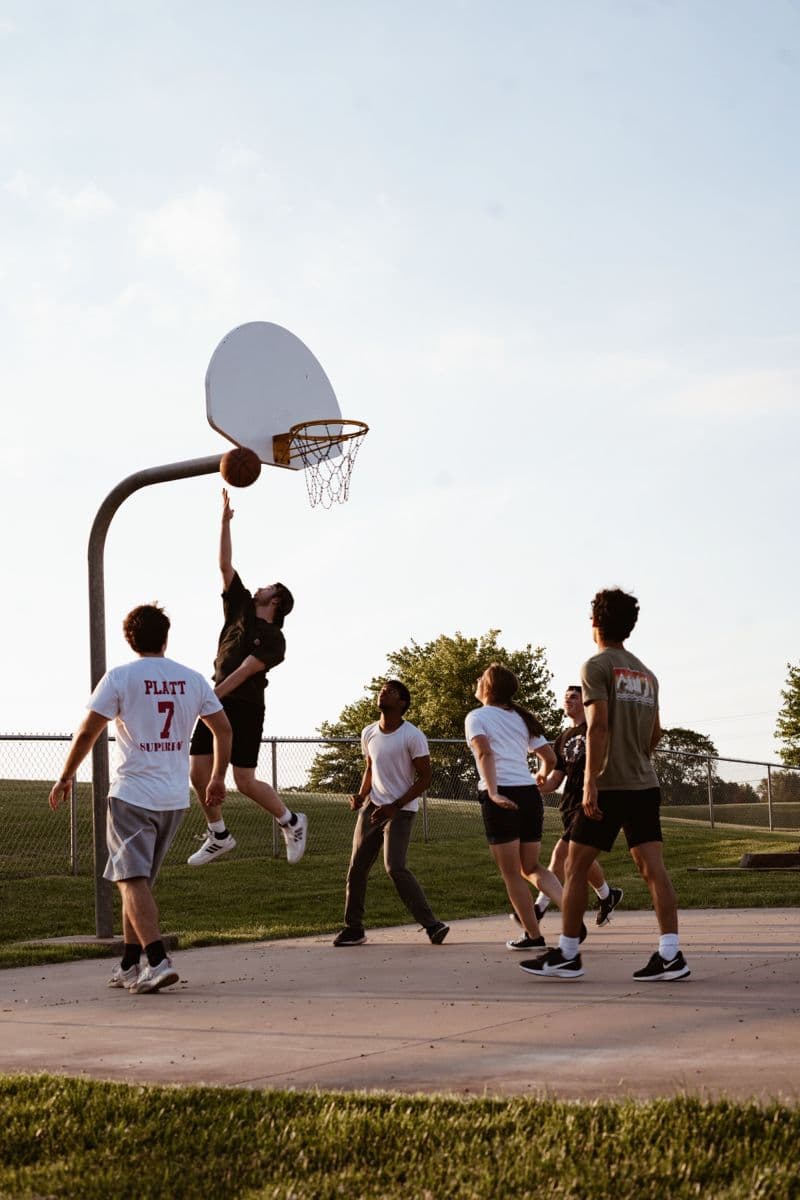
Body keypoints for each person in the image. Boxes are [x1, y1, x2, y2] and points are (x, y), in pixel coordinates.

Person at [48, 604, 232, 994]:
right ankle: (130, 964)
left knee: (130, 880)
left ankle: (157, 959)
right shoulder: (192, 679)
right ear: (166, 636)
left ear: (129, 639)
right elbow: (224, 729)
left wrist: (66, 776)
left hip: (133, 794)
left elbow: (87, 733)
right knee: (137, 882)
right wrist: (217, 776)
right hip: (173, 797)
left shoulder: (119, 677)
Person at [521, 588, 690, 981]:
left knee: (573, 866)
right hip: (644, 784)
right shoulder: (646, 675)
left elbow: (596, 727)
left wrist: (591, 783)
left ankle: (566, 955)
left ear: (595, 621)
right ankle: (671, 954)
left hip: (609, 785)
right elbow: (657, 730)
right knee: (654, 870)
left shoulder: (596, 666)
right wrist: (638, 755)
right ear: (628, 626)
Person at [188, 488, 306, 866]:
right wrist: (223, 523)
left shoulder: (274, 639)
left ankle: (291, 821)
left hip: (243, 703)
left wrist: (208, 698)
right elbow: (225, 565)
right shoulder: (239, 606)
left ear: (276, 601)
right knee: (197, 772)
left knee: (243, 780)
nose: (260, 586)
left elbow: (245, 671)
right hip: (218, 697)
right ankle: (219, 834)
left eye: (268, 587)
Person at [333, 680, 449, 947]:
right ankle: (353, 929)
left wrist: (395, 806)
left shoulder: (412, 735)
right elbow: (370, 768)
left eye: (391, 691)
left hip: (401, 810)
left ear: (402, 703)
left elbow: (425, 777)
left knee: (394, 867)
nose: (382, 693)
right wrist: (362, 796)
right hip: (372, 808)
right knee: (357, 868)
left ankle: (433, 926)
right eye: (381, 690)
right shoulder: (369, 732)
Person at [465, 663, 567, 952]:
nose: (477, 680)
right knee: (531, 867)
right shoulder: (521, 719)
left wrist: (494, 793)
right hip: (528, 795)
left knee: (512, 873)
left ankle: (534, 937)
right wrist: (542, 777)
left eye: (481, 678)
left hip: (503, 795)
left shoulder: (476, 717)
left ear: (488, 687)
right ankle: (573, 920)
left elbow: (484, 752)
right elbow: (549, 757)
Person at [533, 685, 623, 928]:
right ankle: (607, 895)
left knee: (561, 855)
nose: (568, 701)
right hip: (569, 805)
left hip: (591, 802)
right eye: (565, 698)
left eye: (574, 697)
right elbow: (555, 779)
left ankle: (537, 909)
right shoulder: (563, 738)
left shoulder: (595, 730)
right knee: (580, 857)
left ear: (585, 702)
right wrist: (534, 785)